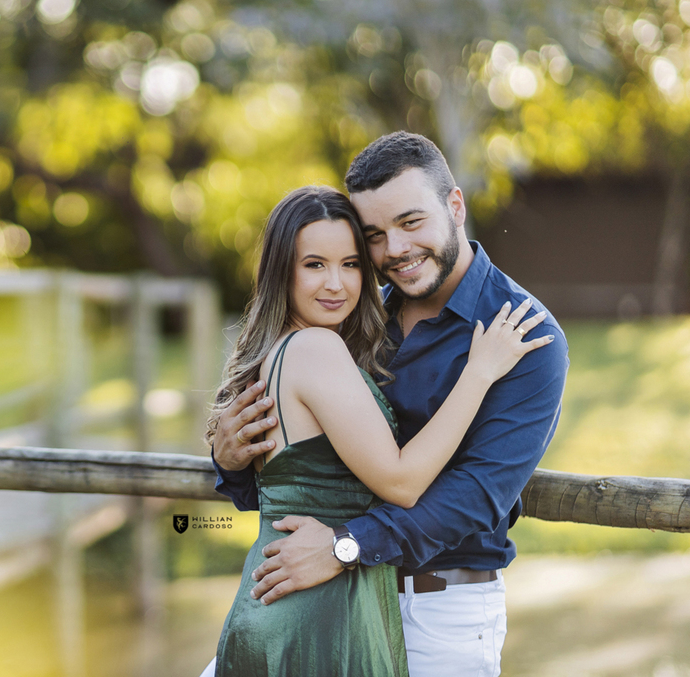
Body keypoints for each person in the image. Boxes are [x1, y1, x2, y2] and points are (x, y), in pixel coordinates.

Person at [207, 132, 570, 677]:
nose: (394, 249)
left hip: (437, 611)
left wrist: (346, 547)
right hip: (319, 594)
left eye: (411, 222)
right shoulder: (353, 314)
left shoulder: (522, 335)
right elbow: (308, 462)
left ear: (455, 206)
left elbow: (475, 495)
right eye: (374, 235)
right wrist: (231, 459)